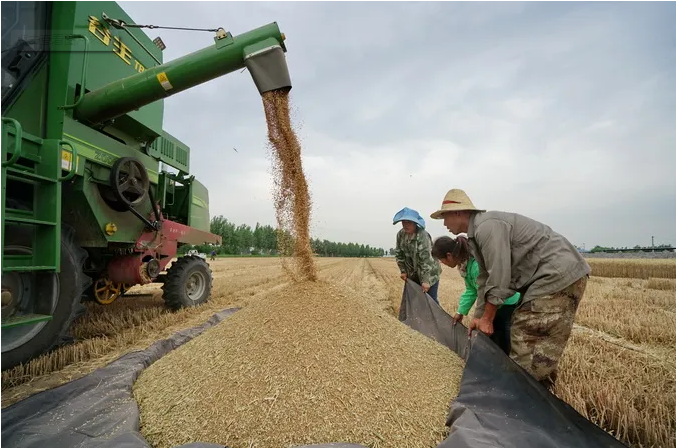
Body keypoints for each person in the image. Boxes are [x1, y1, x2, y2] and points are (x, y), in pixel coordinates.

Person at [430, 189, 591, 389]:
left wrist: (488, 318)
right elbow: (484, 278)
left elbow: (499, 275)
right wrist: (479, 316)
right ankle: (540, 399)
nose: (444, 224)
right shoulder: (477, 234)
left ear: (457, 213)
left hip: (555, 275)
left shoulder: (487, 228)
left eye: (444, 217)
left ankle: (521, 405)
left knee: (527, 340)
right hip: (551, 276)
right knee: (539, 352)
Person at [431, 235, 521, 355]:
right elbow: (471, 290)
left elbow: (484, 294)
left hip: (505, 302)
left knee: (503, 338)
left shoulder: (475, 266)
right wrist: (460, 312)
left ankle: (506, 365)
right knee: (491, 335)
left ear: (449, 255)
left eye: (441, 260)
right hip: (493, 302)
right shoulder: (464, 266)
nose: (442, 263)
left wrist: (479, 318)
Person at [393, 207, 442, 304]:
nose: (405, 225)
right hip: (413, 274)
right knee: (414, 301)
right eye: (404, 222)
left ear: (415, 223)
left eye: (409, 222)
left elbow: (426, 260)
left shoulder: (422, 235)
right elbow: (399, 253)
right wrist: (403, 271)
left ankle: (436, 319)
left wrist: (425, 281)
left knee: (430, 300)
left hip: (429, 273)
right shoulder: (400, 234)